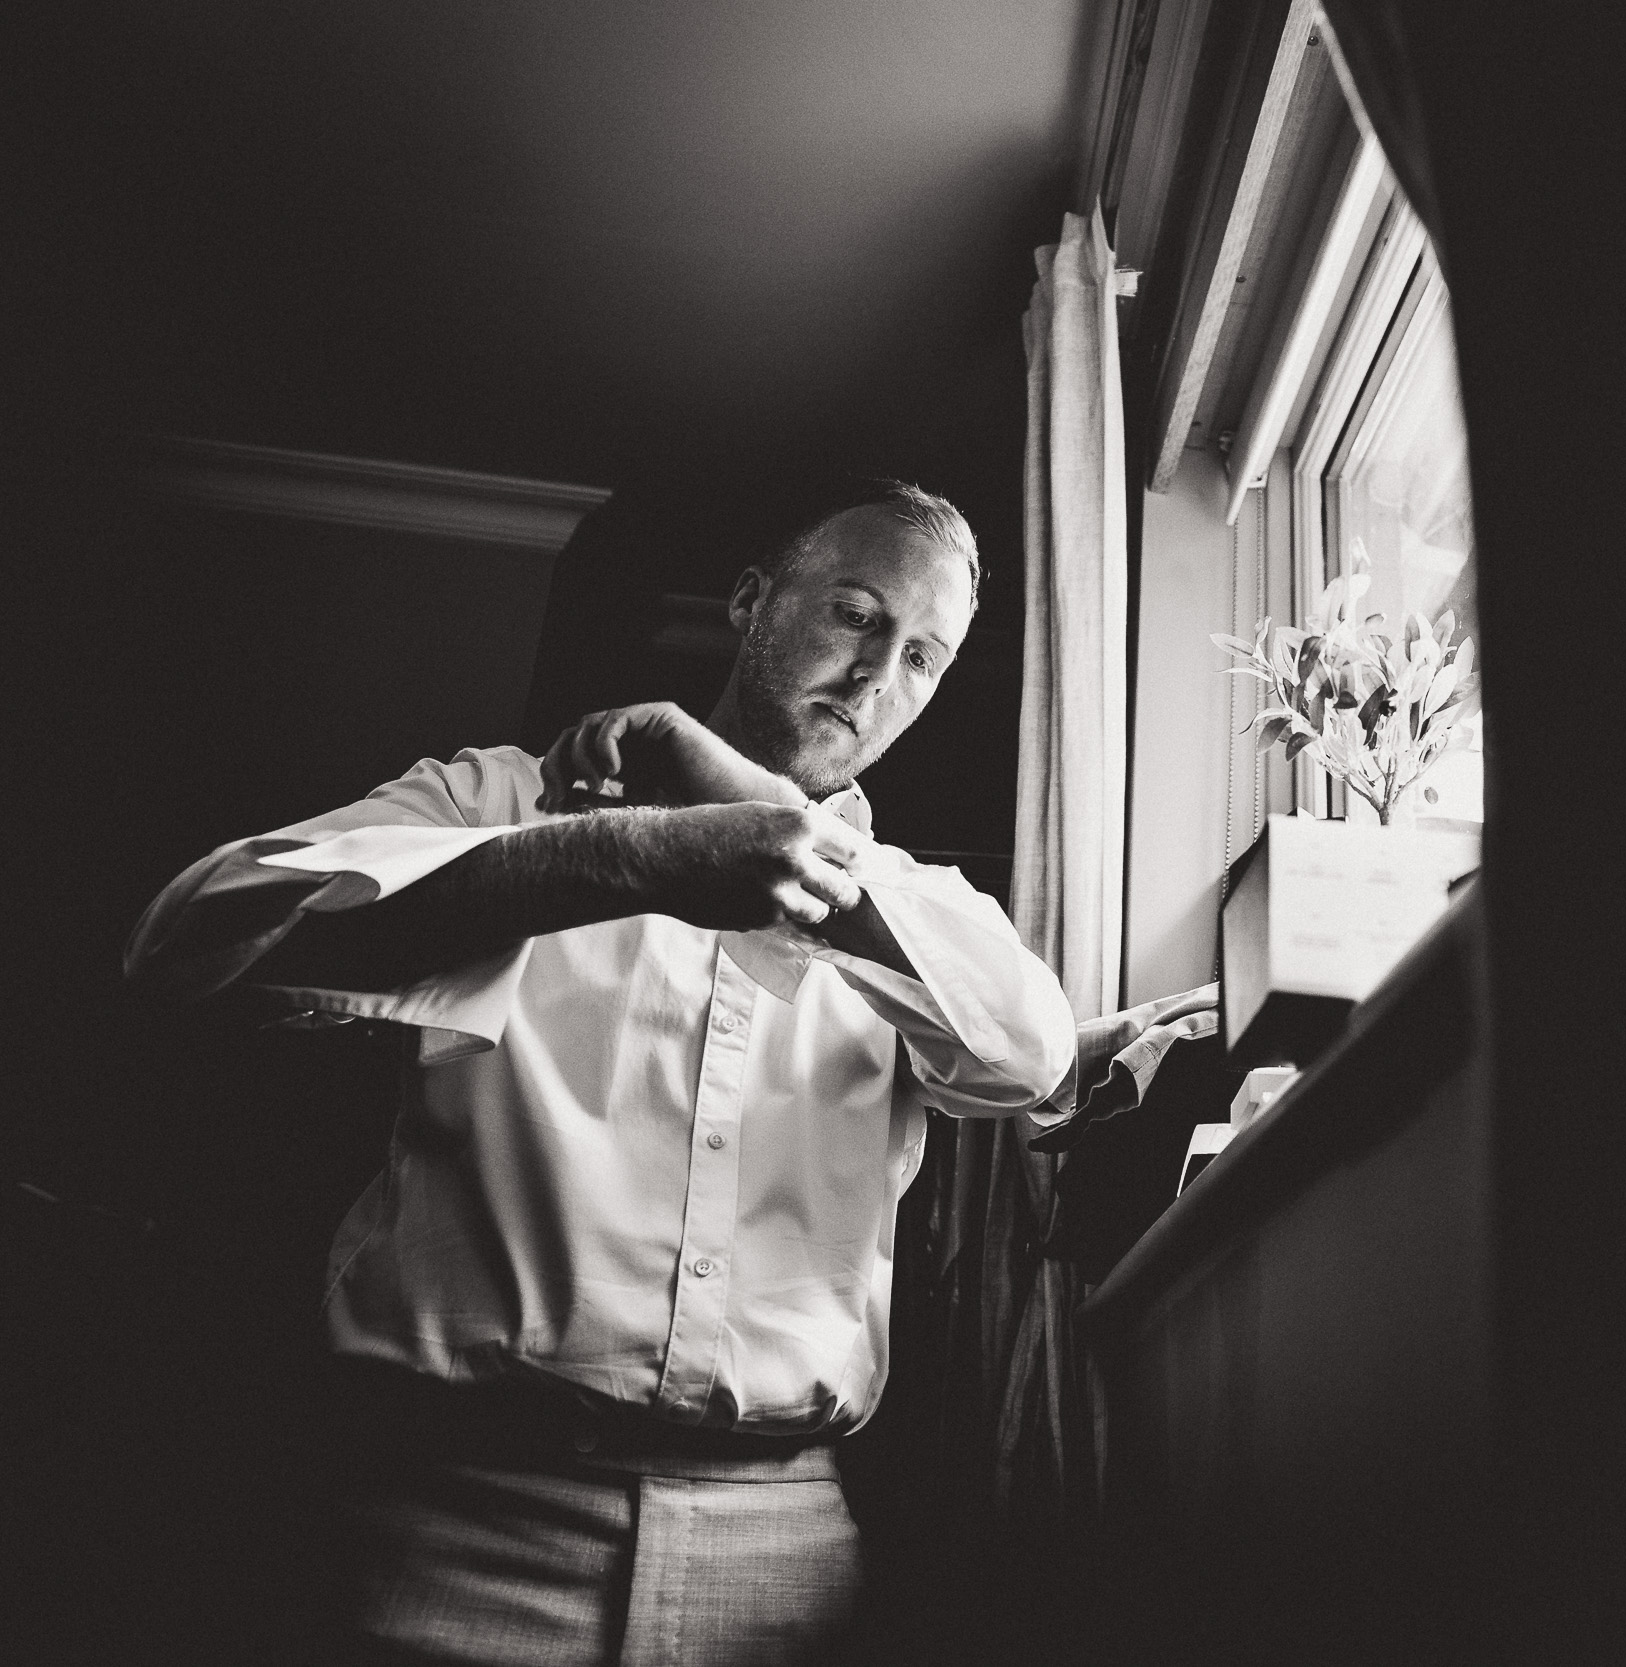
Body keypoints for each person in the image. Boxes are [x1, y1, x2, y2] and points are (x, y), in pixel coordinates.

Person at [124, 482, 1078, 1665]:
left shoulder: (924, 909)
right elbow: (196, 940)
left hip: (785, 1558)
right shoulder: (498, 799)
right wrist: (614, 856)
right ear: (752, 601)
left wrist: (749, 808)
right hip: (448, 1526)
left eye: (925, 655)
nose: (879, 674)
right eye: (854, 612)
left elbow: (1030, 1060)